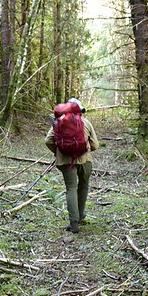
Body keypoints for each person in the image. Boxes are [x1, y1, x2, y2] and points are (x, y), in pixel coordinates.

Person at [45, 98, 100, 233]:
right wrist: (83, 150)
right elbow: (95, 145)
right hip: (85, 160)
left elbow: (48, 140)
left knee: (71, 188)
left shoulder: (58, 123)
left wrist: (58, 152)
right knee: (83, 186)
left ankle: (74, 223)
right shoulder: (86, 122)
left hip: (65, 161)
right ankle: (80, 215)